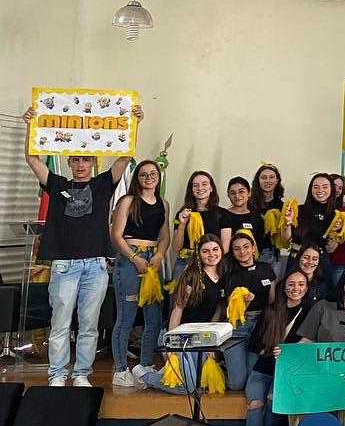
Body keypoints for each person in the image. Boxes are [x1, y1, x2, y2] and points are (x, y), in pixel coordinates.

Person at [24, 101, 143, 388]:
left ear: (92, 162)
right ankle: (57, 374)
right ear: (69, 162)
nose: (80, 165)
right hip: (64, 265)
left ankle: (81, 374)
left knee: (89, 324)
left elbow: (124, 158)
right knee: (60, 323)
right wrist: (31, 126)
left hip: (95, 265)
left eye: (85, 160)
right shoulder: (57, 185)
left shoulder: (102, 184)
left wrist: (135, 124)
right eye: (76, 160)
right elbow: (32, 159)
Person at [243, 269, 314, 426]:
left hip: (287, 373)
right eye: (291, 284)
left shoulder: (311, 312)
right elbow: (254, 344)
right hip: (263, 368)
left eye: (301, 284)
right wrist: (270, 346)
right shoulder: (271, 311)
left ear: (306, 288)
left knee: (273, 402)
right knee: (255, 404)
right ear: (284, 287)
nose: (295, 288)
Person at [108, 157, 169, 387]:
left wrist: (159, 255)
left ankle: (145, 365)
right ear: (137, 178)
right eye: (143, 174)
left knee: (154, 318)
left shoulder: (163, 203)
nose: (149, 178)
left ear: (158, 177)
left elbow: (164, 236)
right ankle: (121, 370)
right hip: (130, 259)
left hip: (153, 262)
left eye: (153, 174)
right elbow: (116, 236)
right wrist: (134, 259)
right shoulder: (128, 201)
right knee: (127, 316)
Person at [142, 235, 225, 394]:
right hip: (179, 336)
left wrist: (210, 342)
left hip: (200, 338)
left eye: (215, 249)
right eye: (205, 251)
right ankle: (144, 376)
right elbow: (177, 309)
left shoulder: (223, 275)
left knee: (201, 384)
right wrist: (172, 342)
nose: (211, 254)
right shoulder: (191, 276)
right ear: (198, 254)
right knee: (189, 386)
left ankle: (167, 373)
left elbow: (216, 309)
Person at [223, 229, 277, 389]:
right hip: (239, 325)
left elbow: (272, 300)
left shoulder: (266, 268)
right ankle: (221, 369)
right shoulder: (230, 275)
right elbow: (231, 309)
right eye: (237, 249)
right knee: (237, 384)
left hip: (261, 325)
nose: (242, 252)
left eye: (246, 246)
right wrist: (245, 303)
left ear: (253, 248)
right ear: (233, 253)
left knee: (251, 377)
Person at [251, 162, 290, 266]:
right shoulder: (249, 204)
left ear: (277, 180)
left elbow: (285, 237)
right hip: (249, 254)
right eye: (263, 177)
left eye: (271, 177)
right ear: (258, 180)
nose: (267, 181)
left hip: (272, 255)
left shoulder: (282, 207)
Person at [220, 176, 266, 254]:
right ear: (228, 195)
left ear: (249, 193)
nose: (237, 196)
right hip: (227, 259)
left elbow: (259, 246)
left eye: (241, 191)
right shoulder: (222, 215)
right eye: (233, 193)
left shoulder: (257, 219)